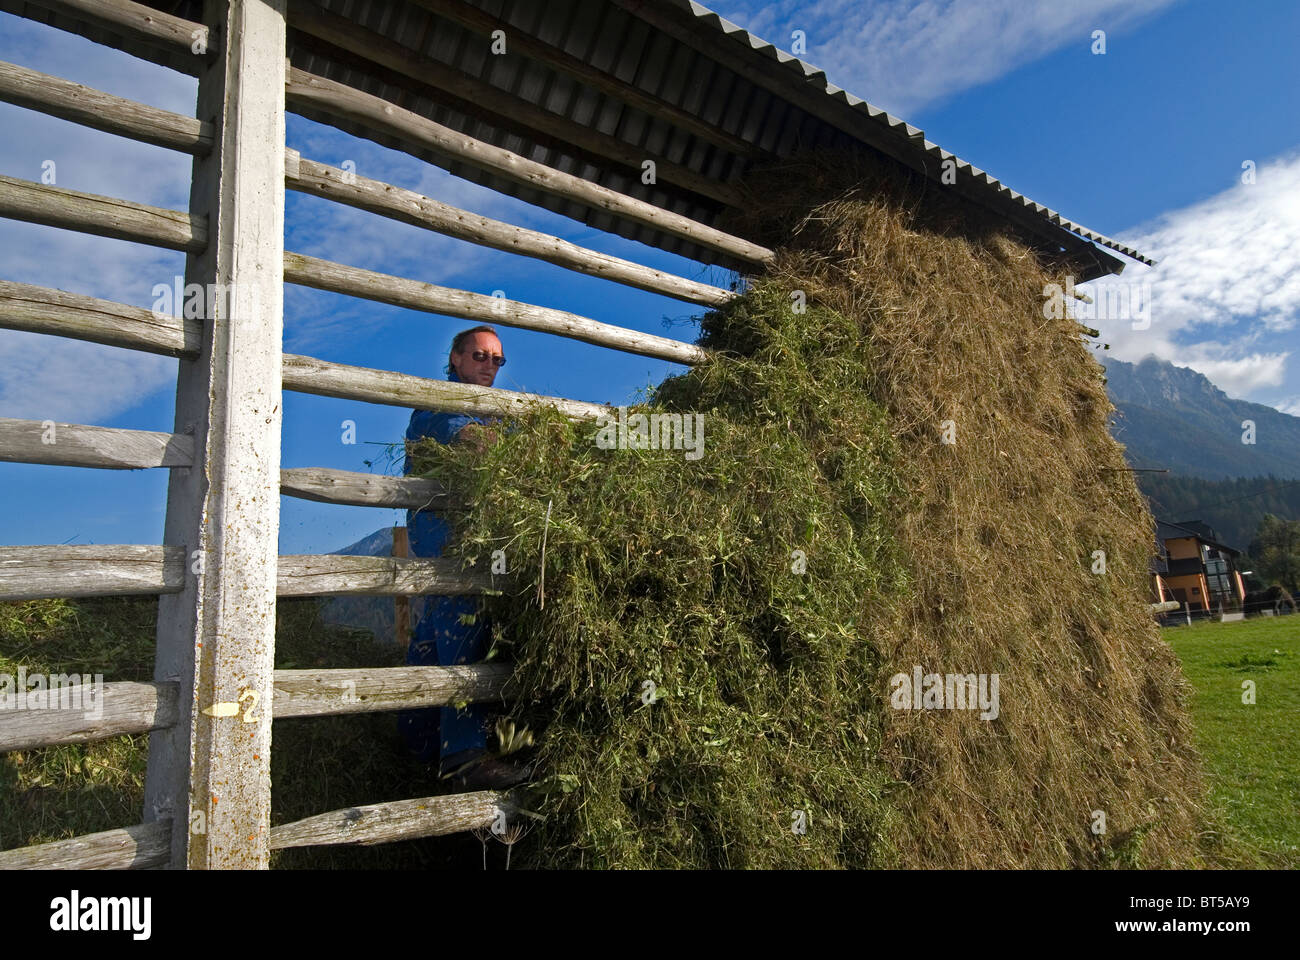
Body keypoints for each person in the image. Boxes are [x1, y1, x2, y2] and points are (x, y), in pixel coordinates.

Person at [397, 324, 530, 790]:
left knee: (439, 635)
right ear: (454, 358)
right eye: (479, 356)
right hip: (448, 538)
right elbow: (471, 444)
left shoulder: (497, 410)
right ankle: (463, 757)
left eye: (497, 360)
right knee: (464, 621)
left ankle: (415, 745)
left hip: (484, 539)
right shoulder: (440, 401)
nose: (489, 366)